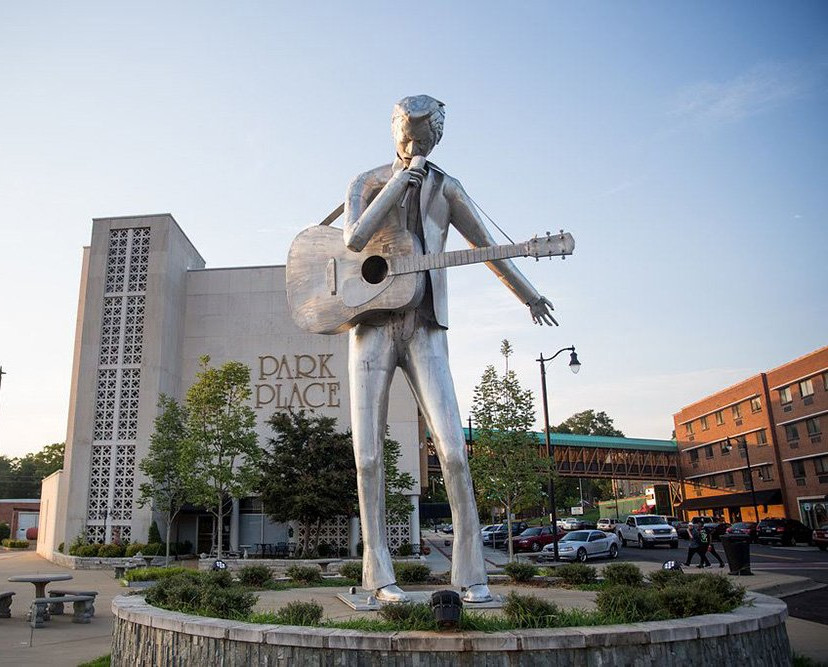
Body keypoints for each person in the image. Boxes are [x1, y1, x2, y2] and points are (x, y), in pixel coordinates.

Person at [343, 95, 557, 603]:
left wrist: (529, 295)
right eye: (407, 137)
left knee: (455, 452)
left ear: (438, 138)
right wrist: (400, 181)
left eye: (424, 139)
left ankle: (470, 572)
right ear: (393, 131)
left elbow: (487, 250)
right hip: (372, 324)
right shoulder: (367, 181)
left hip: (426, 326)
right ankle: (378, 574)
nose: (415, 146)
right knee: (369, 455)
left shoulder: (449, 188)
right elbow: (354, 239)